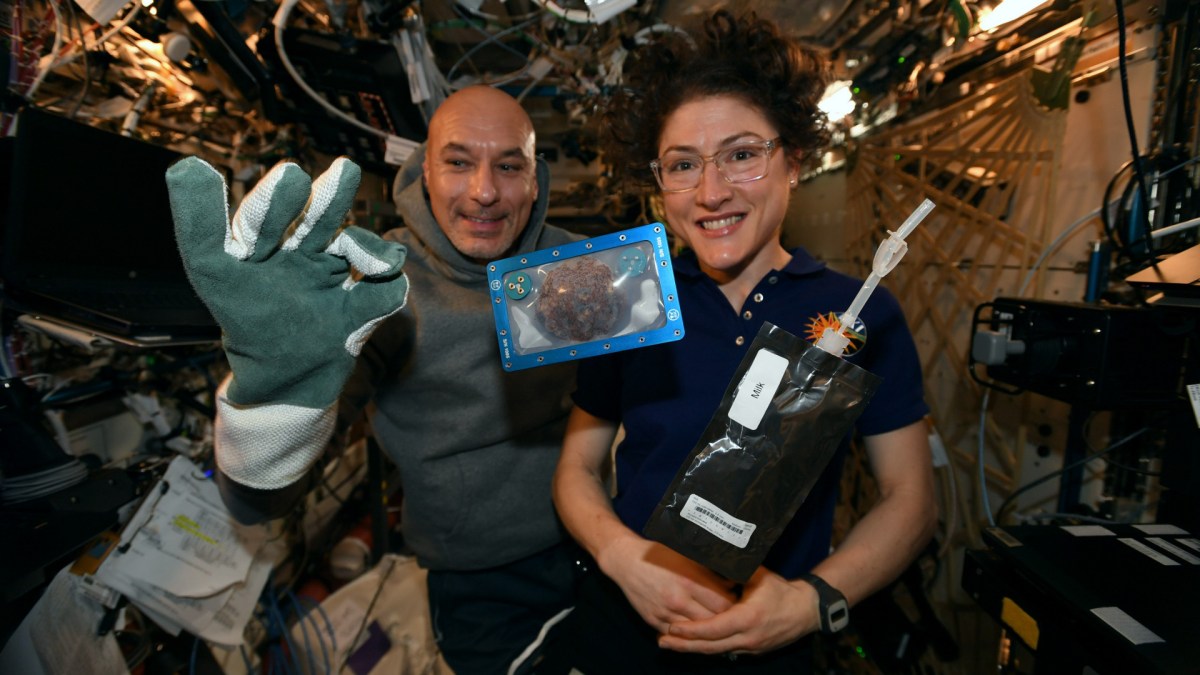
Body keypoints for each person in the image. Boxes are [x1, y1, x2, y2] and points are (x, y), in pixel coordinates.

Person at [542, 10, 937, 673]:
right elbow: (576, 469)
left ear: (795, 159)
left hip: (773, 639)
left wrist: (812, 602)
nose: (712, 191)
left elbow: (912, 500)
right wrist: (624, 558)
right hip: (625, 629)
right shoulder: (627, 297)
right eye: (683, 164)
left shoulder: (857, 311)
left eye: (743, 154)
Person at [168, 85, 582, 674]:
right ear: (425, 173)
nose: (485, 191)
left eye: (509, 166)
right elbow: (257, 504)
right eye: (459, 162)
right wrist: (273, 401)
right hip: (479, 580)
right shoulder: (376, 287)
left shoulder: (580, 264)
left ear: (535, 180)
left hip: (601, 535)